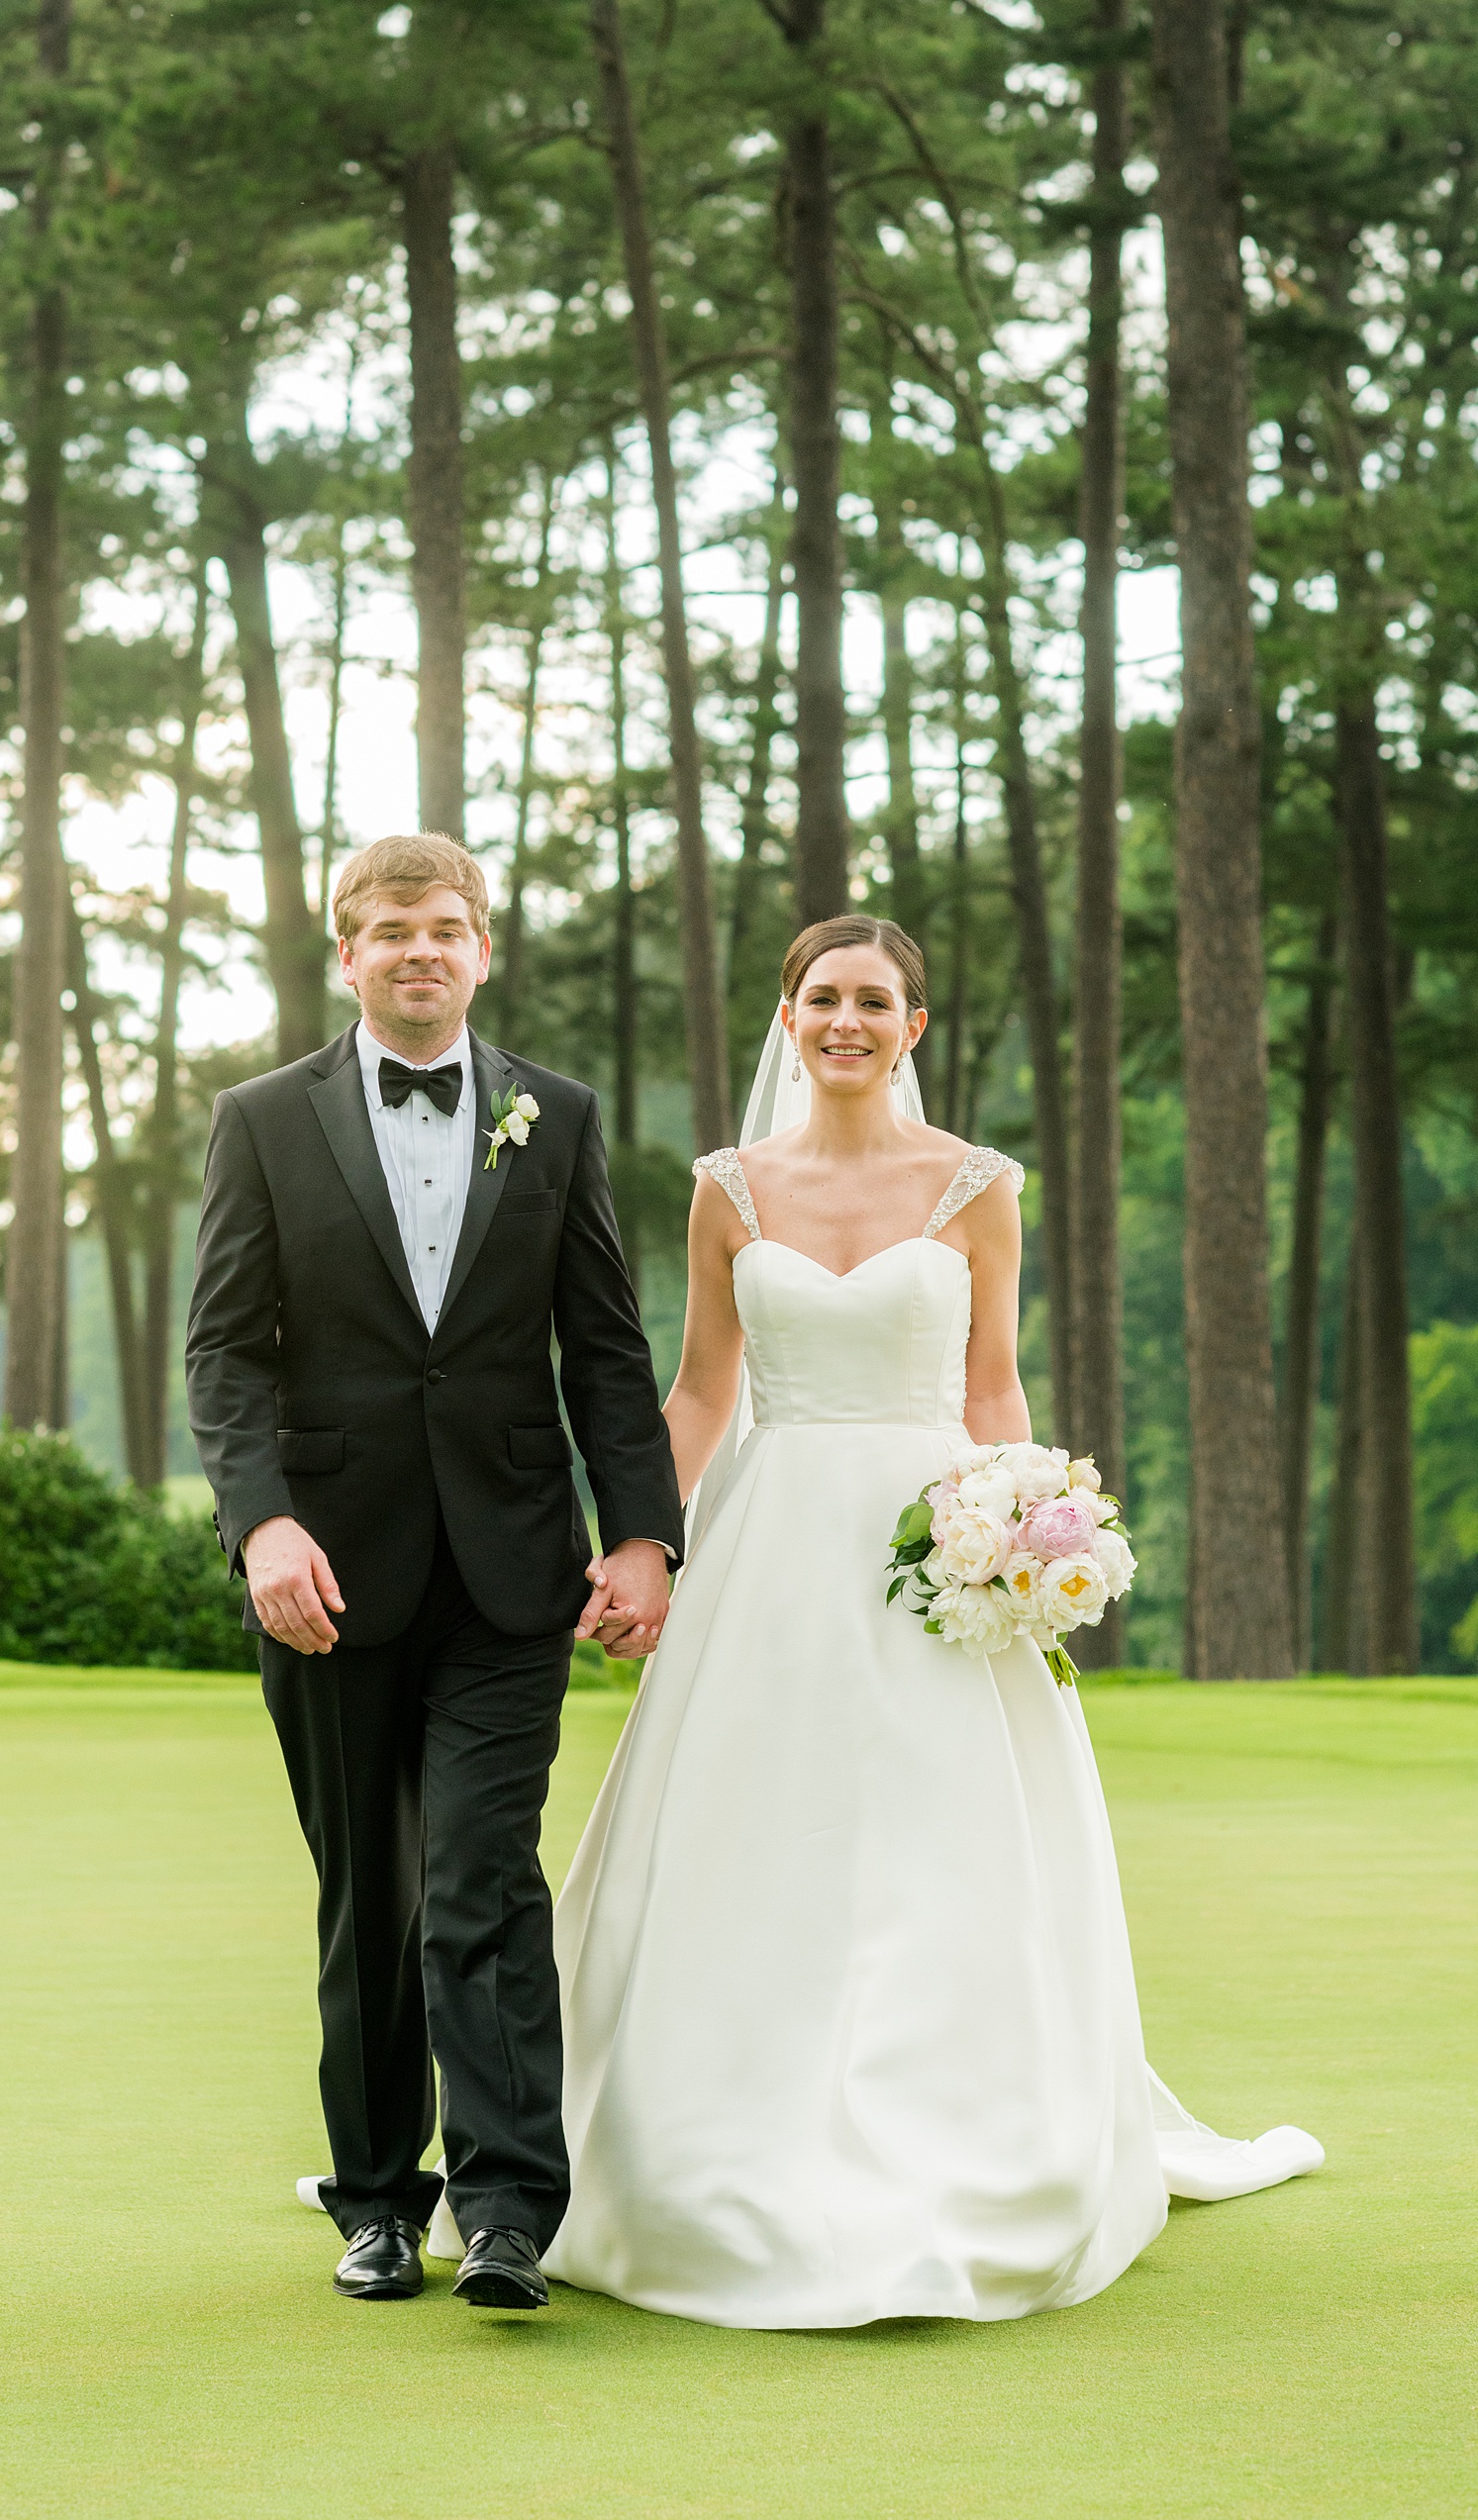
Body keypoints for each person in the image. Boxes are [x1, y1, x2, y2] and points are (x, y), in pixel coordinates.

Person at [452, 915, 1319, 2329]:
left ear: (912, 1025)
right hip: (772, 1542)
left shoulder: (976, 1185)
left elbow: (992, 1387)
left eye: (873, 1000)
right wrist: (636, 1542)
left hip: (935, 1546)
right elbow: (700, 1391)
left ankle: (954, 2135)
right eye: (821, 997)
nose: (845, 1019)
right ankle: (691, 2125)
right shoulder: (729, 1187)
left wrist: (1035, 1538)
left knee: (939, 1835)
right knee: (755, 1826)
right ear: (787, 1019)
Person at [185, 832, 683, 2313]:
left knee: (478, 1874)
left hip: (512, 1569)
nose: (420, 950)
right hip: (325, 1577)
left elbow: (604, 1343)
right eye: (391, 929)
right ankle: (377, 2203)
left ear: (485, 949)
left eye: (446, 928)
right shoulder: (262, 1120)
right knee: (372, 1889)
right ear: (348, 953)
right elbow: (223, 1349)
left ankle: (511, 2204)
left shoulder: (559, 1114)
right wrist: (262, 1521)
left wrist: (644, 1533)